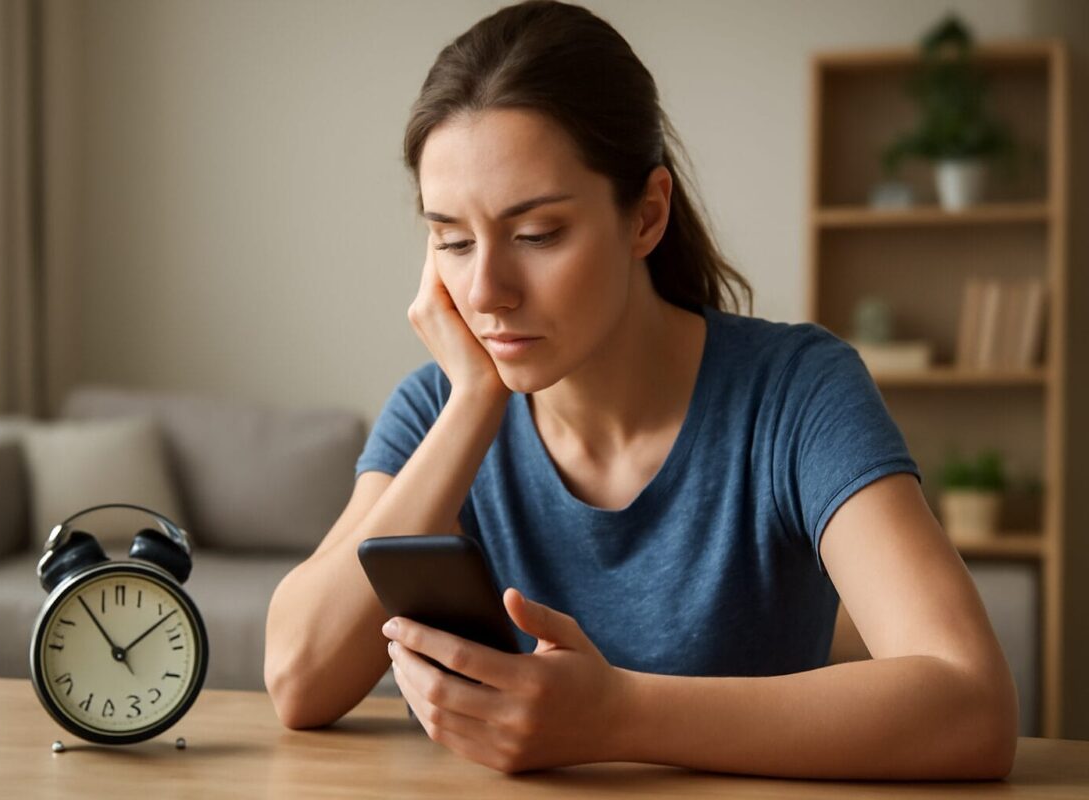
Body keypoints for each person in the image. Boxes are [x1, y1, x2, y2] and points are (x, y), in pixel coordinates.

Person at [264, 0, 1017, 779]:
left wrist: (615, 715)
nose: (485, 290)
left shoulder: (795, 394)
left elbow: (972, 703)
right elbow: (296, 679)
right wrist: (474, 406)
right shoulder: (437, 408)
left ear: (647, 215)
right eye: (452, 239)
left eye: (536, 235)